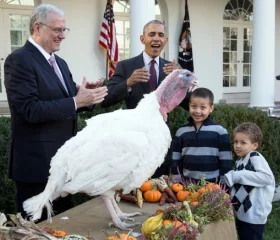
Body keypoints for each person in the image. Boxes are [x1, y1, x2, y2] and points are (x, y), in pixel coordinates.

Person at [4, 4, 108, 220]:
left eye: (64, 30)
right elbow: (28, 110)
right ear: (37, 27)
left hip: (63, 164)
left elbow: (68, 98)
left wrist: (86, 95)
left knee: (64, 225)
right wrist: (76, 101)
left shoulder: (59, 62)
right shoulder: (19, 60)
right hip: (36, 168)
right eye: (57, 30)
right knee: (37, 230)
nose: (62, 36)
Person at [101, 19, 183, 178]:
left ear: (165, 41)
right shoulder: (126, 66)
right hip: (134, 143)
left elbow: (188, 103)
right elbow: (106, 99)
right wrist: (128, 83)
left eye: (161, 35)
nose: (156, 38)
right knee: (134, 193)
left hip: (160, 143)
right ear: (142, 39)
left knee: (158, 193)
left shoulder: (171, 69)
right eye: (151, 34)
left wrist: (180, 79)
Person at [224, 122, 275, 240]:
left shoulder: (254, 157)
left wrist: (238, 175)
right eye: (236, 141)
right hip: (243, 213)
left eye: (243, 143)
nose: (237, 145)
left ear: (255, 145)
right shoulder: (239, 162)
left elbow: (267, 178)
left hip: (254, 215)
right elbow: (240, 185)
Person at [171, 88, 233, 184]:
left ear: (211, 108)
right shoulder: (181, 132)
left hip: (212, 185)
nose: (197, 111)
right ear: (189, 106)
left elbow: (226, 160)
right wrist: (177, 182)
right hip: (187, 185)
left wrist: (224, 185)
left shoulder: (220, 131)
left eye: (203, 108)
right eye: (194, 107)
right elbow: (176, 158)